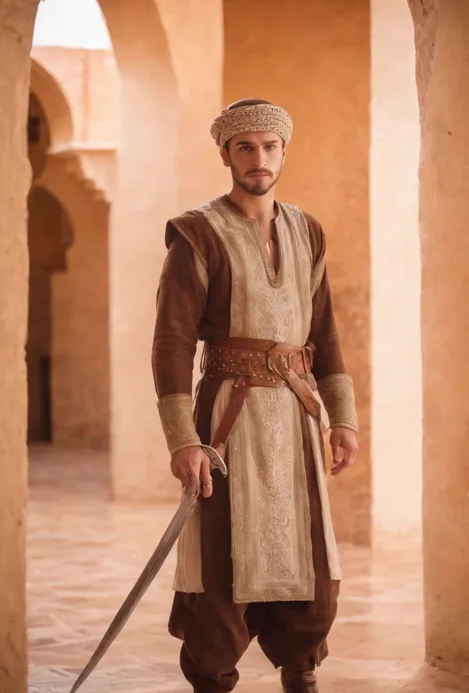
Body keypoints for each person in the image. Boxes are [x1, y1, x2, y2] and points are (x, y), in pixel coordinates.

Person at [151, 98, 359, 693]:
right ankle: (213, 679)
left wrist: (341, 418)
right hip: (226, 421)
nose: (258, 158)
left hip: (296, 417)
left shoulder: (307, 230)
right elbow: (170, 344)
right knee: (223, 563)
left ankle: (302, 673)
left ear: (284, 152)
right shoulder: (197, 233)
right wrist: (183, 441)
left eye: (270, 146)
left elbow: (325, 333)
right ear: (225, 155)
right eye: (245, 147)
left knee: (310, 560)